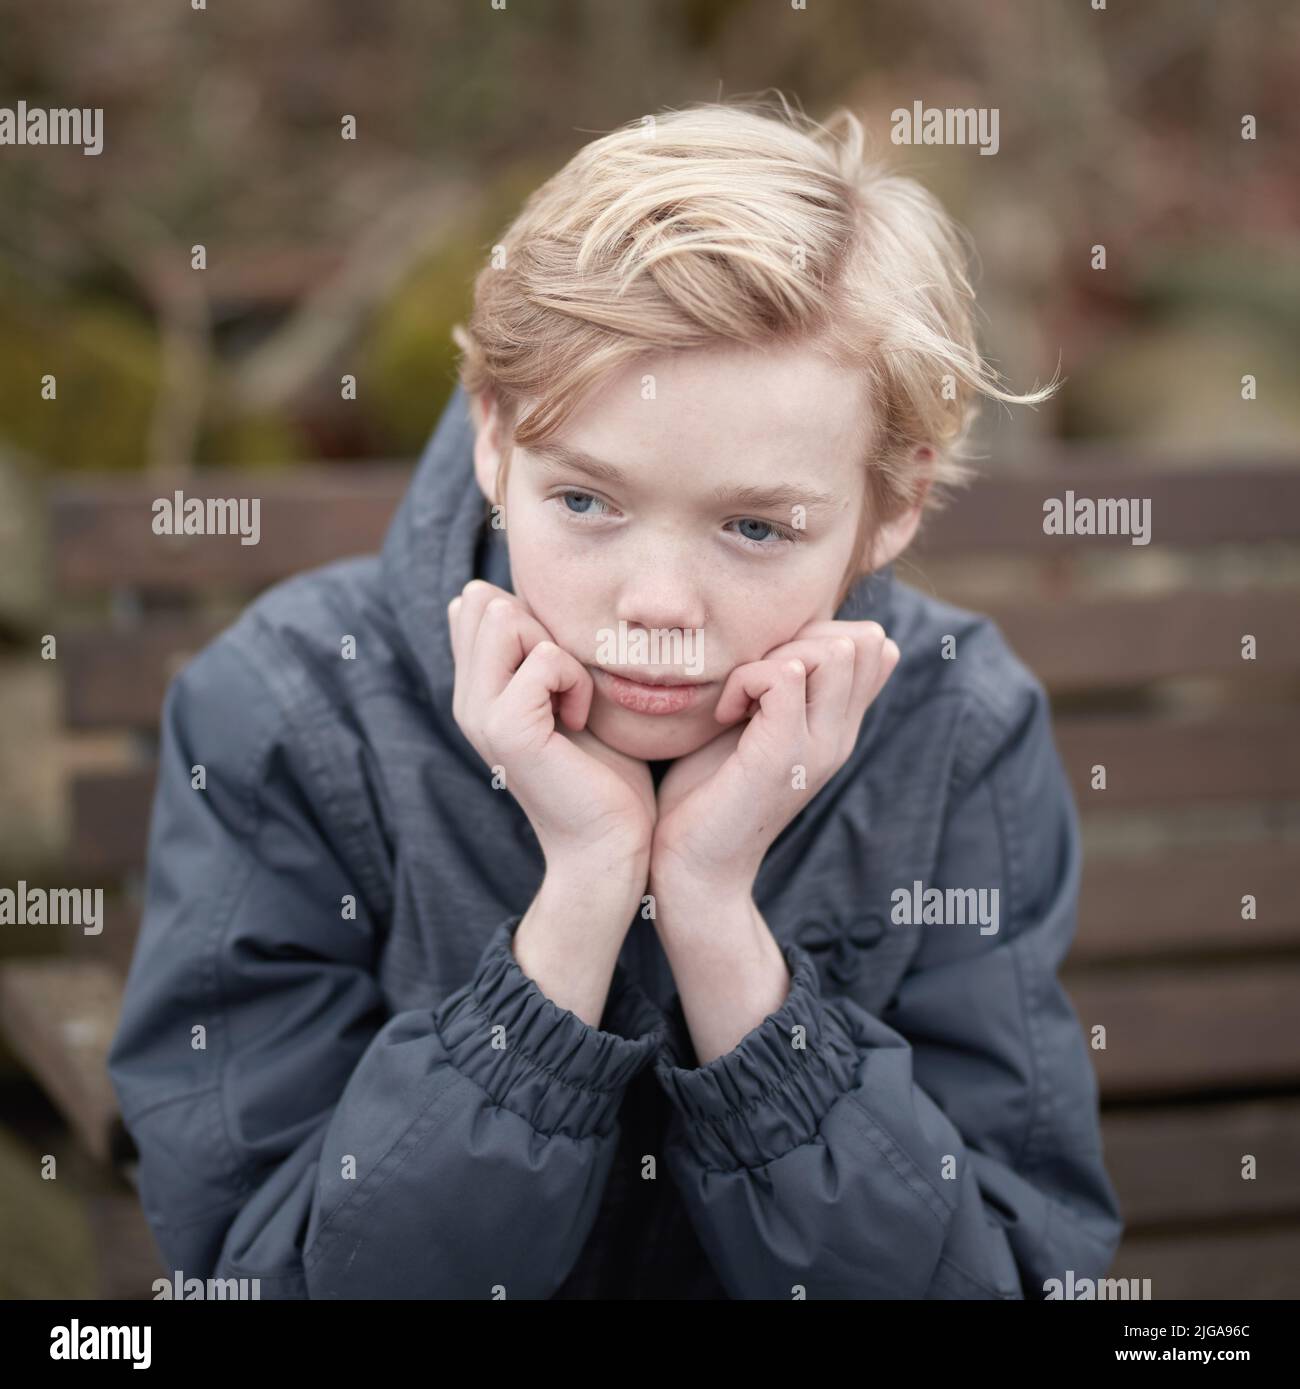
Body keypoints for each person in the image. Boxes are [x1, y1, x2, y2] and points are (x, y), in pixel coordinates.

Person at [107, 97, 1124, 1299]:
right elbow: (255, 1275)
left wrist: (716, 925)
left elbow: (1016, 1273)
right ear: (495, 436)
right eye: (585, 502)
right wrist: (578, 906)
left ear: (893, 503)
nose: (654, 605)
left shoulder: (959, 728)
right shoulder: (279, 712)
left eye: (754, 527)